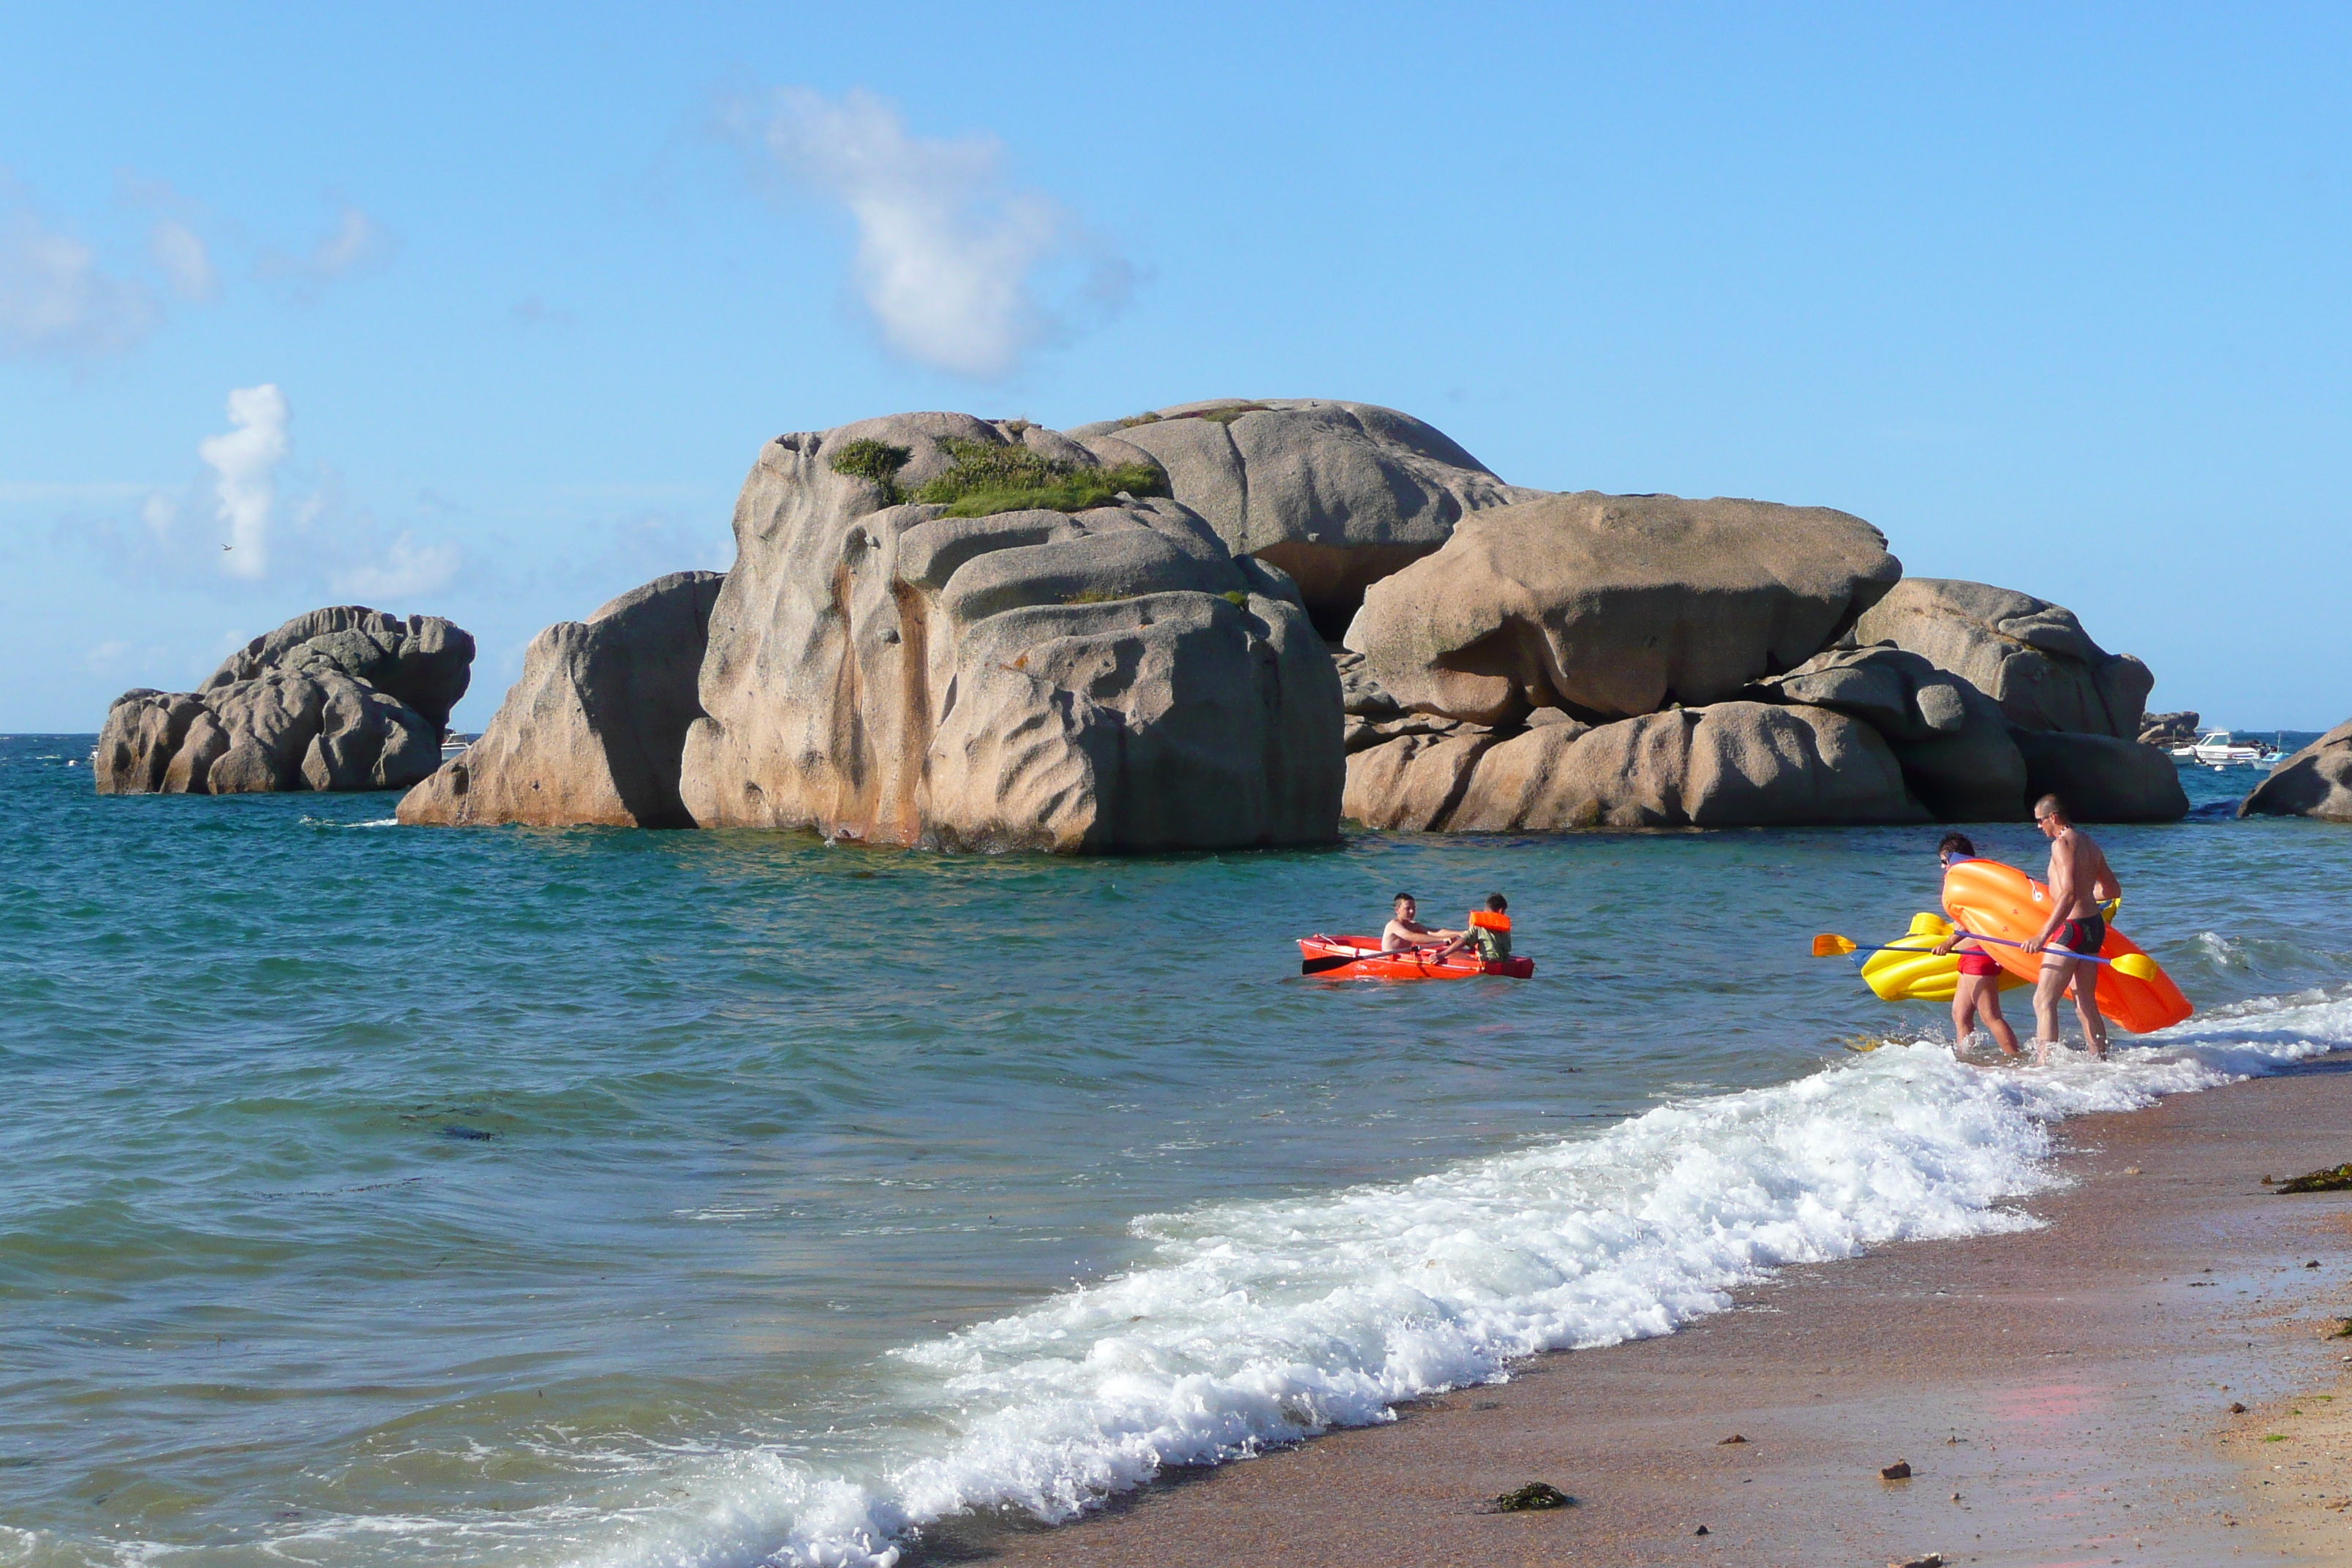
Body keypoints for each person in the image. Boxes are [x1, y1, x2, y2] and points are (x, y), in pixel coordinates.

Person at [2020, 793, 2121, 1064]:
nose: (2039, 827)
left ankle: (2044, 1065)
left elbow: (2067, 895)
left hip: (2072, 929)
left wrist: (2042, 935)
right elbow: (2112, 890)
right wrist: (2088, 892)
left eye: (2040, 821)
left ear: (2053, 817)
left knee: (2043, 1001)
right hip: (2093, 927)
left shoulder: (2062, 844)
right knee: (2085, 1002)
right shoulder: (2089, 842)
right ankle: (2100, 1061)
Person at [1927, 834, 2022, 1060]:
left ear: (1952, 858)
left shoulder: (1969, 880)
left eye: (1943, 861)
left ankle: (2017, 1060)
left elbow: (1971, 919)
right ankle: (1966, 1060)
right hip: (1969, 953)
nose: (1942, 867)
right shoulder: (1972, 878)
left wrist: (1948, 943)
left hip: (1978, 954)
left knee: (1990, 1016)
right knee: (1960, 1015)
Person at [1432, 894, 1512, 965]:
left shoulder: (1479, 926)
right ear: (1501, 911)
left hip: (1488, 965)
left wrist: (1442, 955)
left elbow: (1462, 942)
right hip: (1505, 962)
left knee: (1452, 954)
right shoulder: (1505, 928)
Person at [1381, 892, 1462, 954]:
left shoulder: (1414, 925)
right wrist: (1442, 940)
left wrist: (1459, 933)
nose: (1412, 911)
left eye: (1414, 908)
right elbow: (1412, 936)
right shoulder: (1394, 925)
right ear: (1397, 910)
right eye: (1408, 909)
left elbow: (1434, 932)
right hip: (1389, 958)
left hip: (1404, 958)